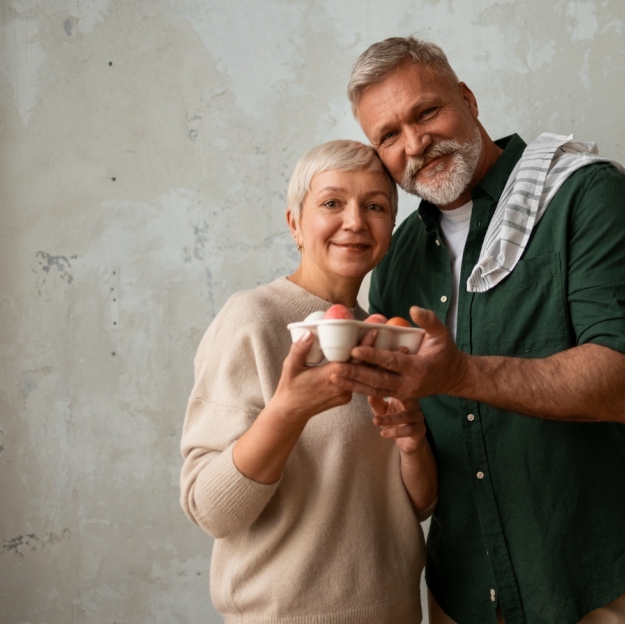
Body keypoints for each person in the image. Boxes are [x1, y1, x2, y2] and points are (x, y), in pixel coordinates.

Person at [333, 37, 625, 623]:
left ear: (468, 98)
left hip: (585, 581)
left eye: (427, 111)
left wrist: (459, 373)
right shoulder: (396, 254)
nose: (415, 144)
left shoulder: (585, 195)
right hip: (459, 592)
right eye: (388, 135)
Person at [179, 139, 437, 623]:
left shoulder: (386, 334)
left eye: (375, 206)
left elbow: (415, 509)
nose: (356, 221)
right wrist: (287, 411)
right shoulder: (254, 319)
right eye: (332, 203)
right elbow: (209, 509)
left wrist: (411, 442)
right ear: (295, 223)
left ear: (390, 228)